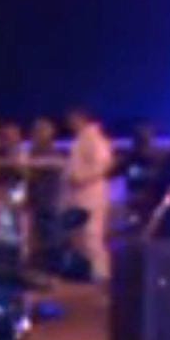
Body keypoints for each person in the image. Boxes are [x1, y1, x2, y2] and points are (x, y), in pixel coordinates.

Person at [64, 106, 116, 283]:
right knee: (80, 236)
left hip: (91, 196)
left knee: (91, 235)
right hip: (80, 196)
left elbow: (103, 166)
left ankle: (101, 274)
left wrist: (81, 178)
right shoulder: (81, 139)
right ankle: (88, 271)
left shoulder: (95, 139)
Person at [22, 117, 65, 271]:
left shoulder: (52, 152)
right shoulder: (33, 151)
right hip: (36, 201)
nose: (37, 134)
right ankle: (40, 270)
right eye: (36, 131)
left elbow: (52, 168)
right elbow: (29, 177)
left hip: (50, 201)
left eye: (41, 131)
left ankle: (52, 271)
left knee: (51, 238)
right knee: (38, 238)